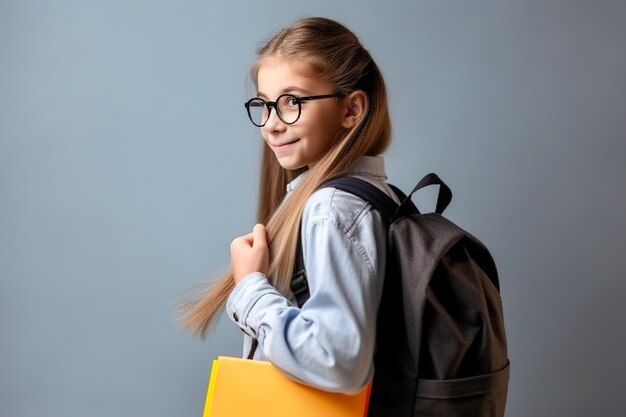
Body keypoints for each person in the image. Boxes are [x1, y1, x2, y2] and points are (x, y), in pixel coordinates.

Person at [179, 16, 396, 394]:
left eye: (292, 102)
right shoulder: (377, 197)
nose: (271, 125)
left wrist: (250, 287)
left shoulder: (331, 209)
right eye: (264, 105)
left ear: (352, 110)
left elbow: (340, 362)